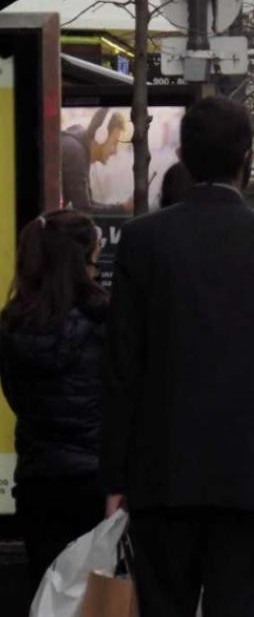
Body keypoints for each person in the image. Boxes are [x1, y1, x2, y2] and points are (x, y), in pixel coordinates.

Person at [103, 97, 254, 617]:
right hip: (249, 473)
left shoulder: (142, 242)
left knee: (163, 605)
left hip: (162, 474)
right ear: (247, 158)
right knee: (236, 603)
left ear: (182, 154)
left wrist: (116, 476)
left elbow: (121, 369)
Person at [0, 210, 108, 593]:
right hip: (98, 481)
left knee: (47, 592)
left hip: (38, 478)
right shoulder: (103, 318)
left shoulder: (13, 325)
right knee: (97, 597)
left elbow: (15, 396)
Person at [61, 109, 132, 213]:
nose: (115, 151)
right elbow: (84, 210)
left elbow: (87, 203)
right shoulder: (75, 153)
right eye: (114, 143)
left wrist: (122, 207)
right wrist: (123, 208)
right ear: (101, 135)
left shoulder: (80, 148)